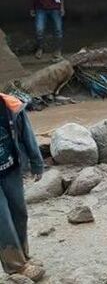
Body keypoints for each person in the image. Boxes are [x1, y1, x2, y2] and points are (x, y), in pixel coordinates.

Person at [0, 93, 45, 281]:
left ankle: (24, 256)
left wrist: (37, 162)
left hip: (11, 169)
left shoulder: (11, 106)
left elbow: (27, 135)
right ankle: (16, 266)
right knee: (2, 220)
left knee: (20, 213)